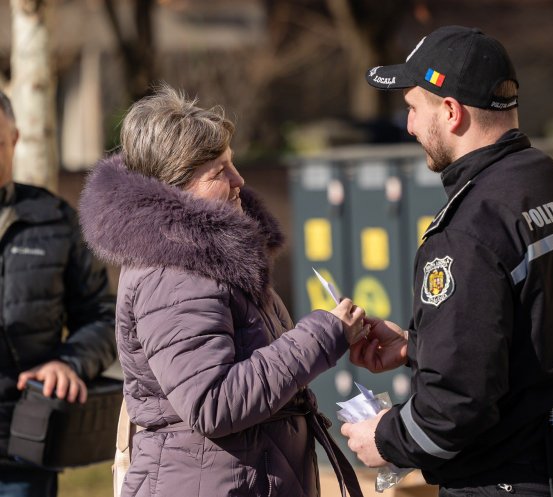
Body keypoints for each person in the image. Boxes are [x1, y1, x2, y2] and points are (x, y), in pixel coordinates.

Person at [341, 26, 553, 497]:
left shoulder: (468, 228)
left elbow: (454, 408)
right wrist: (420, 346)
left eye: (413, 108)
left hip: (515, 478)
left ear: (451, 112)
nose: (410, 126)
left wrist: (384, 438)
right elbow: (547, 343)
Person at [78, 85, 366, 497]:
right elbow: (212, 402)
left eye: (232, 162)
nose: (238, 180)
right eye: (218, 171)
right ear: (176, 187)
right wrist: (320, 337)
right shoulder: (174, 273)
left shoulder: (209, 258)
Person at [0, 90, 117, 496]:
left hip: (24, 449)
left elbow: (105, 317)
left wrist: (69, 364)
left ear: (15, 138)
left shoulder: (56, 220)